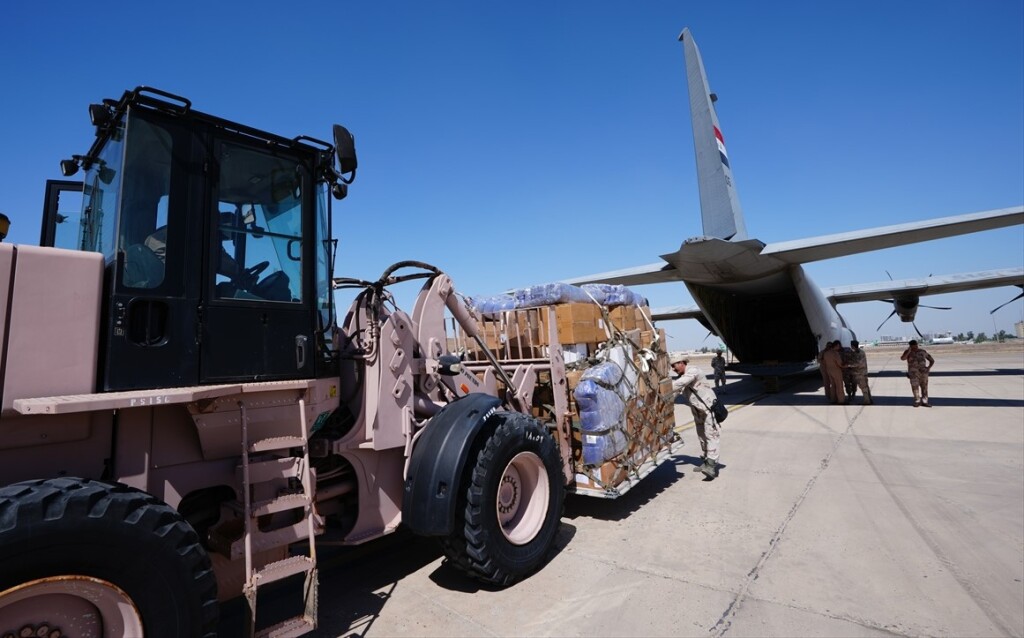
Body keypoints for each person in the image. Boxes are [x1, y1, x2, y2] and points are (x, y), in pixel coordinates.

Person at [670, 352, 721, 479]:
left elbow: (679, 384)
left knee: (711, 435)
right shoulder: (683, 377)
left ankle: (711, 466)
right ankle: (705, 461)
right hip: (698, 411)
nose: (673, 369)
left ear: (682, 363)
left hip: (709, 408)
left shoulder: (693, 371)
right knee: (702, 436)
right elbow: (675, 393)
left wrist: (662, 388)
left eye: (674, 365)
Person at [900, 340, 935, 407]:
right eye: (912, 346)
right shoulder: (907, 352)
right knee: (915, 387)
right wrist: (909, 351)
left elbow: (932, 360)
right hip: (913, 374)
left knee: (924, 387)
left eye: (915, 345)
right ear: (910, 346)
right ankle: (917, 401)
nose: (915, 347)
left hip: (923, 373)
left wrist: (928, 368)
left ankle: (925, 401)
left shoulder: (922, 351)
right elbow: (903, 358)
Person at [844, 340, 872, 405]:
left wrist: (848, 365)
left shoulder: (860, 353)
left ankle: (867, 401)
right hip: (861, 372)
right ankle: (869, 400)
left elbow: (858, 363)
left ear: (853, 346)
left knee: (864, 387)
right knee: (865, 387)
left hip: (860, 373)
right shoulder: (858, 352)